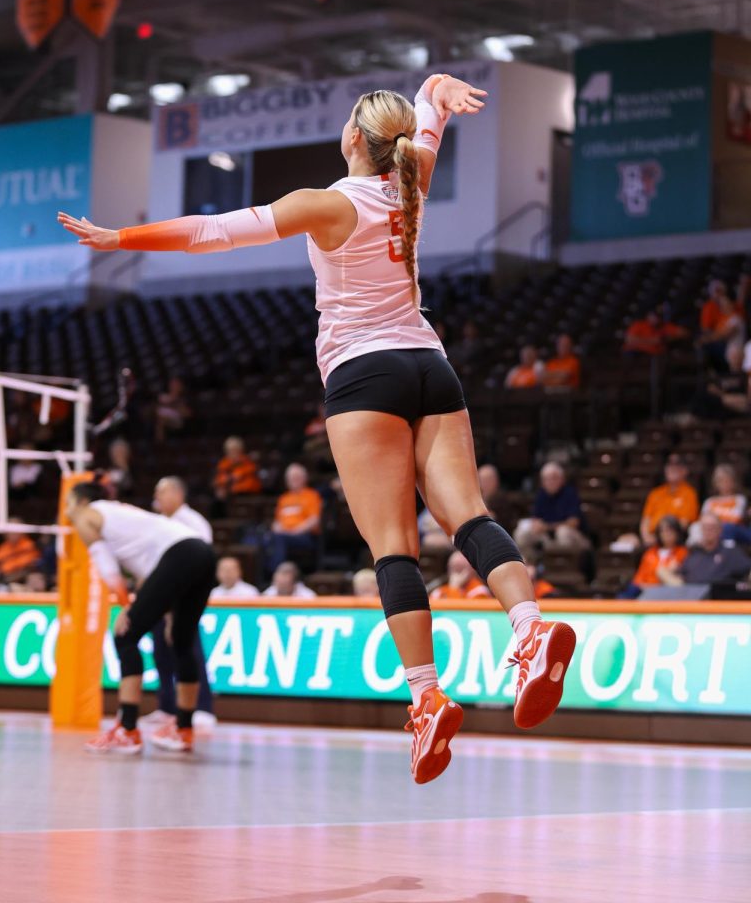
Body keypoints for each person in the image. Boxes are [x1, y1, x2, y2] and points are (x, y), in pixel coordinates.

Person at [59, 70, 576, 786]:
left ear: (351, 140)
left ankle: (426, 697)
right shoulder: (413, 178)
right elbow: (427, 120)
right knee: (469, 516)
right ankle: (529, 625)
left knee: (392, 547)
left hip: (364, 375)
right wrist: (437, 93)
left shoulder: (326, 203)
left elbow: (212, 232)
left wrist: (121, 238)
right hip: (431, 363)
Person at [66, 481, 216, 755]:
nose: (67, 510)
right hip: (202, 554)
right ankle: (183, 729)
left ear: (80, 501)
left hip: (179, 555)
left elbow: (106, 565)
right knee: (181, 640)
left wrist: (125, 606)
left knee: (125, 636)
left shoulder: (85, 514)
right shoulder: (125, 518)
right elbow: (157, 575)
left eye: (68, 502)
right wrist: (170, 611)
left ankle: (128, 730)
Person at [147, 476, 215, 731]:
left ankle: (203, 708)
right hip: (161, 594)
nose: (156, 498)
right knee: (161, 652)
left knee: (188, 649)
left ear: (177, 494)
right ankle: (167, 706)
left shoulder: (194, 523)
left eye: (160, 492)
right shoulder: (160, 523)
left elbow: (200, 565)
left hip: (184, 595)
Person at [513, 463, 590, 557]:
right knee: (521, 534)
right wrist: (537, 525)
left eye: (554, 478)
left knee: (563, 533)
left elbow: (573, 523)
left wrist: (548, 527)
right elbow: (536, 519)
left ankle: (565, 567)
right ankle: (532, 565)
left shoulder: (570, 493)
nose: (550, 482)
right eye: (547, 479)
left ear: (562, 479)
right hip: (548, 537)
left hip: (574, 537)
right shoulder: (541, 495)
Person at [662, 512, 751, 590]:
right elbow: (680, 577)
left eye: (712, 527)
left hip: (720, 601)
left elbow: (748, 569)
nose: (708, 530)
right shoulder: (693, 554)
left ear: (720, 529)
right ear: (701, 529)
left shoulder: (730, 552)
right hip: (692, 600)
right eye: (705, 527)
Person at [268, 462, 322, 570]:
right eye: (291, 478)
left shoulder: (312, 495)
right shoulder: (284, 498)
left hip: (304, 536)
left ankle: (277, 571)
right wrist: (277, 528)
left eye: (297, 477)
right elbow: (277, 522)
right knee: (266, 538)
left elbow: (314, 520)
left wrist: (295, 531)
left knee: (279, 538)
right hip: (284, 534)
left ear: (304, 478)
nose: (294, 480)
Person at [618, 516, 688, 600]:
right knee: (627, 592)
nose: (666, 534)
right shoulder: (650, 553)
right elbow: (639, 578)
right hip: (643, 590)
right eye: (662, 531)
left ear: (677, 532)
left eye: (670, 530)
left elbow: (676, 578)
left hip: (665, 592)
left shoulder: (683, 552)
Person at [640, 454, 699, 546]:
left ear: (684, 471)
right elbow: (646, 519)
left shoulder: (689, 493)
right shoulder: (655, 493)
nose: (672, 469)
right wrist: (646, 537)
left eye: (676, 467)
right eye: (669, 466)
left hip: (673, 540)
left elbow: (684, 522)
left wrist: (663, 536)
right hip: (651, 538)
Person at [213, 436, 262, 507]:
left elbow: (250, 484)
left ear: (240, 450)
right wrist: (223, 485)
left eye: (234, 450)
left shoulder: (248, 462)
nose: (232, 453)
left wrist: (231, 484)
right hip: (228, 495)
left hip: (246, 495)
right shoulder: (224, 463)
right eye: (229, 451)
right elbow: (219, 479)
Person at [154, 375, 192, 443]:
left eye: (176, 384)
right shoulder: (163, 397)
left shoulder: (183, 399)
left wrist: (175, 405)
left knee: (161, 420)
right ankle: (160, 444)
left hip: (177, 421)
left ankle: (160, 444)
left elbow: (188, 414)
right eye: (172, 384)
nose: (174, 386)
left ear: (181, 386)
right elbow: (157, 409)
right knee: (160, 420)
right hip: (161, 418)